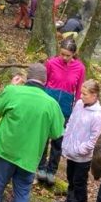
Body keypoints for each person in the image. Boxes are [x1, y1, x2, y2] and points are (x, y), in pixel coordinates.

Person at [0, 64, 65, 202]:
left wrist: (11, 86)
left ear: (26, 77)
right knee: (23, 193)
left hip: (4, 150)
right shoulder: (52, 104)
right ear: (45, 81)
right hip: (29, 157)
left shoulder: (13, 91)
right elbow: (56, 133)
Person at [53, 80, 101, 202]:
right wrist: (66, 141)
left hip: (83, 156)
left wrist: (81, 149)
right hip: (71, 150)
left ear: (94, 95)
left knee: (79, 182)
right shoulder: (79, 104)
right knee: (70, 178)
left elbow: (95, 138)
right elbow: (71, 122)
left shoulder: (97, 114)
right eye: (81, 93)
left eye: (85, 94)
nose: (81, 96)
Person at [38, 38, 86, 185]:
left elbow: (78, 91)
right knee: (44, 137)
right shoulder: (51, 63)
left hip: (65, 108)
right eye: (62, 54)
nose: (64, 58)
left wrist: (77, 109)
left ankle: (52, 170)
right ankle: (40, 167)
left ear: (74, 54)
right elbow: (44, 82)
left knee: (58, 140)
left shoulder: (80, 68)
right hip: (48, 104)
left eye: (68, 55)